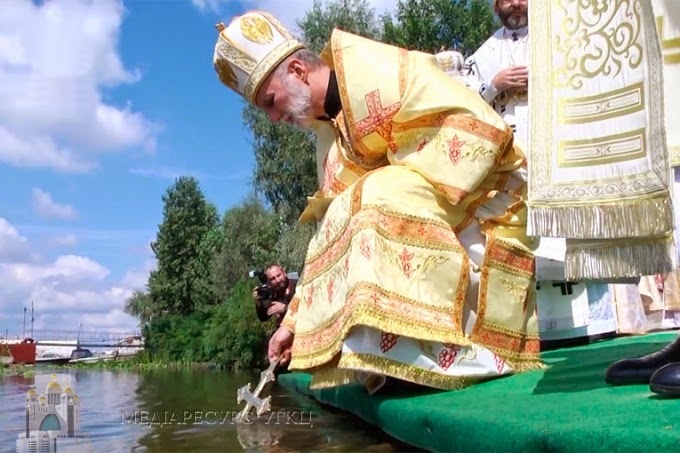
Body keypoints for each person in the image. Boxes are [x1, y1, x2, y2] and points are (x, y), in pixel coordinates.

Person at [212, 10, 544, 394]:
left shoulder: (382, 73)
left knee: (372, 194)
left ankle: (449, 350)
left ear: (299, 71)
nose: (272, 118)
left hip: (490, 201)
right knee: (352, 206)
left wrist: (389, 177)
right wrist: (292, 325)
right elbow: (327, 238)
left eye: (270, 101)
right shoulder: (330, 137)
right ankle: (395, 355)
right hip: (429, 210)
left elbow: (476, 130)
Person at [457, 0, 667, 345]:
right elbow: (462, 106)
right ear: (495, 5)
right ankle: (525, 331)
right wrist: (494, 84)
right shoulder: (482, 55)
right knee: (518, 241)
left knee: (569, 235)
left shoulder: (560, 38)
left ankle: (592, 325)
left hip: (557, 156)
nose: (515, 4)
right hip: (508, 166)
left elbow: (588, 80)